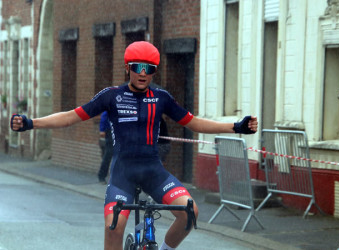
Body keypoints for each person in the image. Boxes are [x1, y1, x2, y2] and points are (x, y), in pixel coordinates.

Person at [10, 41, 258, 250]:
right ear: (127, 68)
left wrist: (236, 127)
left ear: (153, 72)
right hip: (123, 173)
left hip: (153, 171)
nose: (143, 73)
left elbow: (192, 122)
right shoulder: (112, 96)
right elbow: (71, 116)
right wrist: (31, 123)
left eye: (149, 69)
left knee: (190, 213)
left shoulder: (161, 98)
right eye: (138, 67)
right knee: (114, 227)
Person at [98, 111, 113, 184]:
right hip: (110, 132)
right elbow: (104, 117)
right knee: (108, 155)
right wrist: (102, 130)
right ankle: (102, 176)